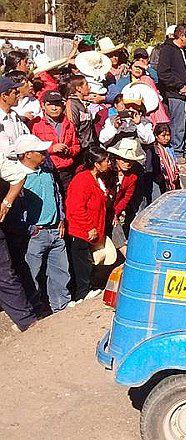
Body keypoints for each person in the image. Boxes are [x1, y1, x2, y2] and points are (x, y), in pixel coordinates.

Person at [6, 134, 70, 314]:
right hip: (35, 234)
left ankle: (62, 308)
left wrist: (61, 218)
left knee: (60, 273)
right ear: (27, 154)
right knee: (30, 275)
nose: (44, 153)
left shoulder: (47, 172)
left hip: (55, 229)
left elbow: (57, 196)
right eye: (39, 151)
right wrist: (29, 229)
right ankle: (35, 311)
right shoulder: (17, 178)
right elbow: (17, 209)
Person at [0, 77, 38, 331]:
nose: (19, 96)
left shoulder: (14, 119)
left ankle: (25, 318)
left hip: (8, 187)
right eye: (14, 92)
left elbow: (15, 172)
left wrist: (7, 201)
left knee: (8, 263)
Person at [65, 147, 111, 302]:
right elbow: (75, 207)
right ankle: (82, 293)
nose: (108, 163)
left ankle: (88, 288)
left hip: (93, 230)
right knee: (81, 263)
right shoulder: (82, 180)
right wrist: (88, 227)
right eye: (105, 160)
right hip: (82, 231)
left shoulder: (97, 179)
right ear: (96, 164)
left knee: (88, 261)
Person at [157, 23, 186, 162]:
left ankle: (185, 150)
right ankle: (177, 152)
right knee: (178, 123)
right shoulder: (168, 50)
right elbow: (163, 72)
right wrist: (179, 85)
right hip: (176, 94)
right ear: (181, 36)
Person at [31, 91, 81, 191]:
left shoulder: (69, 124)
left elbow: (76, 146)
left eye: (57, 104)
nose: (54, 108)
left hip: (66, 171)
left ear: (62, 106)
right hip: (46, 169)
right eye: (50, 104)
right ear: (43, 106)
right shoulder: (36, 125)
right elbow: (32, 150)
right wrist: (51, 149)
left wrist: (69, 151)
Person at [107, 138, 145, 233]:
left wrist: (115, 213)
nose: (127, 163)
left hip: (115, 209)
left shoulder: (132, 177)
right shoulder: (107, 173)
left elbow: (126, 198)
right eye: (124, 160)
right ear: (117, 158)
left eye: (130, 161)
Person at [63, 74, 99, 152]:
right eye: (86, 84)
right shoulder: (72, 104)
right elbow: (72, 127)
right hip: (81, 148)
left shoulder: (82, 103)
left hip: (89, 145)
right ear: (78, 88)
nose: (89, 87)